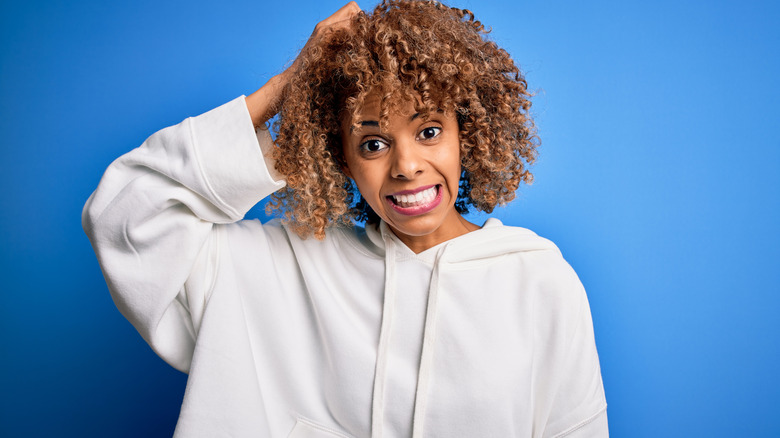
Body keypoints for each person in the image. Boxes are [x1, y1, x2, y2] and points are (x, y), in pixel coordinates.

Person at [83, 1, 608, 437]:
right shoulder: (274, 267)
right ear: (340, 157)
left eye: (428, 131)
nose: (406, 166)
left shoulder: (540, 283)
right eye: (373, 142)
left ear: (465, 133)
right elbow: (127, 214)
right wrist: (285, 89)